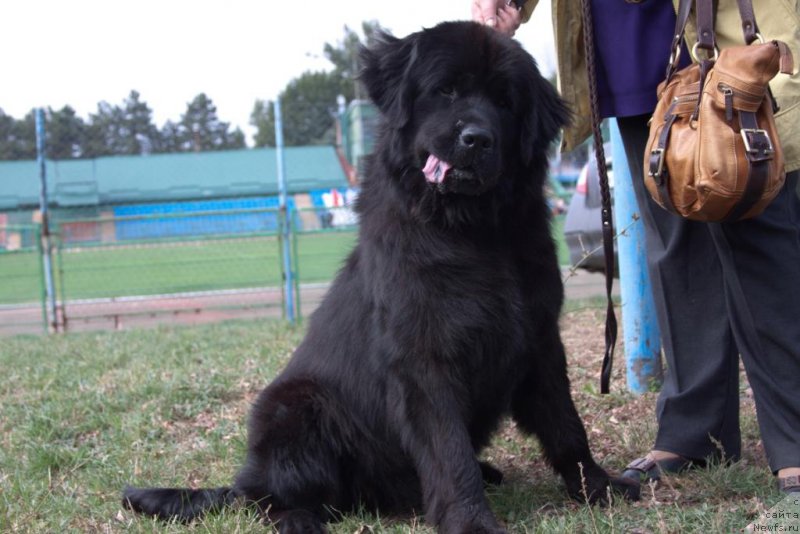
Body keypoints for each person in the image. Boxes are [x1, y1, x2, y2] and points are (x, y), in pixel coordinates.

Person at [472, 0, 800, 493]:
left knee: (755, 227)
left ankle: (795, 438)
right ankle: (696, 431)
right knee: (673, 236)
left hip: (725, 17)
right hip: (626, 27)